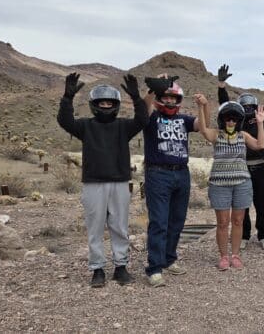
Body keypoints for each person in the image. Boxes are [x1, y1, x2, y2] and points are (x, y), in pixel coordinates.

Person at [57, 73, 147, 287]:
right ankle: (97, 269)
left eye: (109, 102)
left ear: (115, 105)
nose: (105, 105)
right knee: (95, 227)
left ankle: (120, 267)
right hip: (93, 184)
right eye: (101, 102)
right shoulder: (85, 126)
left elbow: (143, 120)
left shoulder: (124, 126)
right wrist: (67, 98)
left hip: (119, 183)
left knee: (119, 226)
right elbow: (65, 120)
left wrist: (136, 97)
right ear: (94, 105)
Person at [142, 75, 210, 287]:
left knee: (177, 220)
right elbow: (142, 110)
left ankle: (169, 258)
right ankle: (154, 268)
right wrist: (154, 88)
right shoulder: (151, 118)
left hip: (181, 172)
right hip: (158, 173)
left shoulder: (184, 120)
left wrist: (204, 106)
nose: (170, 101)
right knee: (159, 221)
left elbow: (202, 125)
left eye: (173, 98)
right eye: (166, 97)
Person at [195, 94, 264, 270]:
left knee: (237, 220)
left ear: (239, 121)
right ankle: (223, 257)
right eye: (228, 118)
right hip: (219, 185)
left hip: (241, 184)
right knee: (222, 222)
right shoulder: (216, 135)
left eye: (234, 119)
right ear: (222, 120)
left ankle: (235, 255)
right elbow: (203, 129)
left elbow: (260, 145)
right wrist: (201, 106)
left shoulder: (242, 135)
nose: (231, 122)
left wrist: (260, 123)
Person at [217, 64, 264, 251]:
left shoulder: (261, 119)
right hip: (241, 167)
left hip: (258, 166)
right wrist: (221, 85)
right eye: (245, 107)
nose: (249, 108)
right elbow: (225, 106)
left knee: (261, 202)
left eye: (251, 106)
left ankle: (263, 235)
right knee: (241, 203)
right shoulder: (235, 122)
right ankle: (243, 235)